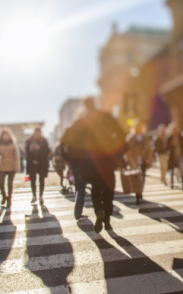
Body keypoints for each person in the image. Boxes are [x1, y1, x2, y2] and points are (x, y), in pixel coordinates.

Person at [61, 97, 125, 233]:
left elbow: (66, 140)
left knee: (96, 189)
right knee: (108, 189)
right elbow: (121, 133)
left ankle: (99, 213)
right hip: (106, 159)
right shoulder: (105, 116)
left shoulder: (80, 122)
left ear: (85, 106)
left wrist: (71, 157)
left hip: (89, 162)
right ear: (94, 104)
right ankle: (107, 218)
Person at [125, 121, 154, 205]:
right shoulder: (131, 137)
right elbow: (127, 148)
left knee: (143, 177)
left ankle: (140, 191)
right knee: (135, 178)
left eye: (140, 127)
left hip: (144, 160)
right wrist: (128, 156)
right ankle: (137, 194)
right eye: (137, 127)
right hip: (134, 161)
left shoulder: (145, 137)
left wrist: (149, 157)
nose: (139, 128)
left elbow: (150, 148)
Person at [0, 128, 20, 208]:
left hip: (11, 167)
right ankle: (4, 196)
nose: (5, 136)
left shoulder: (13, 145)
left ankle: (9, 199)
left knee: (10, 184)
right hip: (2, 166)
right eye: (4, 135)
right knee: (1, 183)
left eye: (7, 134)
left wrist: (16, 167)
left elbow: (16, 157)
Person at [25, 127, 50, 205]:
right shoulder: (29, 141)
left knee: (41, 180)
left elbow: (47, 151)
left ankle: (41, 196)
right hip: (32, 163)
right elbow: (27, 152)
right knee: (32, 180)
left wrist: (40, 148)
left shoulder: (44, 140)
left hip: (42, 164)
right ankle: (34, 195)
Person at [166, 123, 183, 189]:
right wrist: (171, 144)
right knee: (171, 170)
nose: (175, 131)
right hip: (172, 156)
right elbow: (166, 147)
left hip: (180, 156)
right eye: (174, 129)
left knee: (182, 169)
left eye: (176, 129)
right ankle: (172, 183)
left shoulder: (180, 137)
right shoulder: (169, 138)